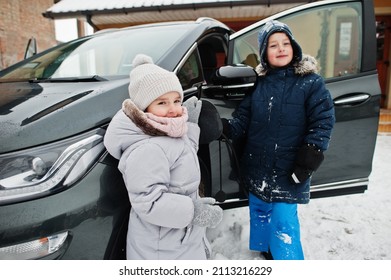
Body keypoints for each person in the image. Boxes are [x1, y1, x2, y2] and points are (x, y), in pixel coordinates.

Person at [222, 20, 335, 260]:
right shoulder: (258, 85)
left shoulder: (310, 83)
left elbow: (322, 120)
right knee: (260, 211)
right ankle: (266, 251)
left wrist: (309, 157)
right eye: (273, 45)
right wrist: (225, 129)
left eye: (285, 43)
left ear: (294, 47)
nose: (281, 48)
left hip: (289, 167)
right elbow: (243, 118)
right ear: (264, 53)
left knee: (284, 221)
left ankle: (287, 261)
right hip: (258, 164)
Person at [104, 54, 223, 260]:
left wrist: (192, 127)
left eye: (177, 100)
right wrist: (194, 212)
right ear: (144, 108)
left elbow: (179, 156)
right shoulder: (146, 148)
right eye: (162, 103)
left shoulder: (166, 132)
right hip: (163, 249)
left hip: (177, 239)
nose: (174, 110)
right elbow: (148, 202)